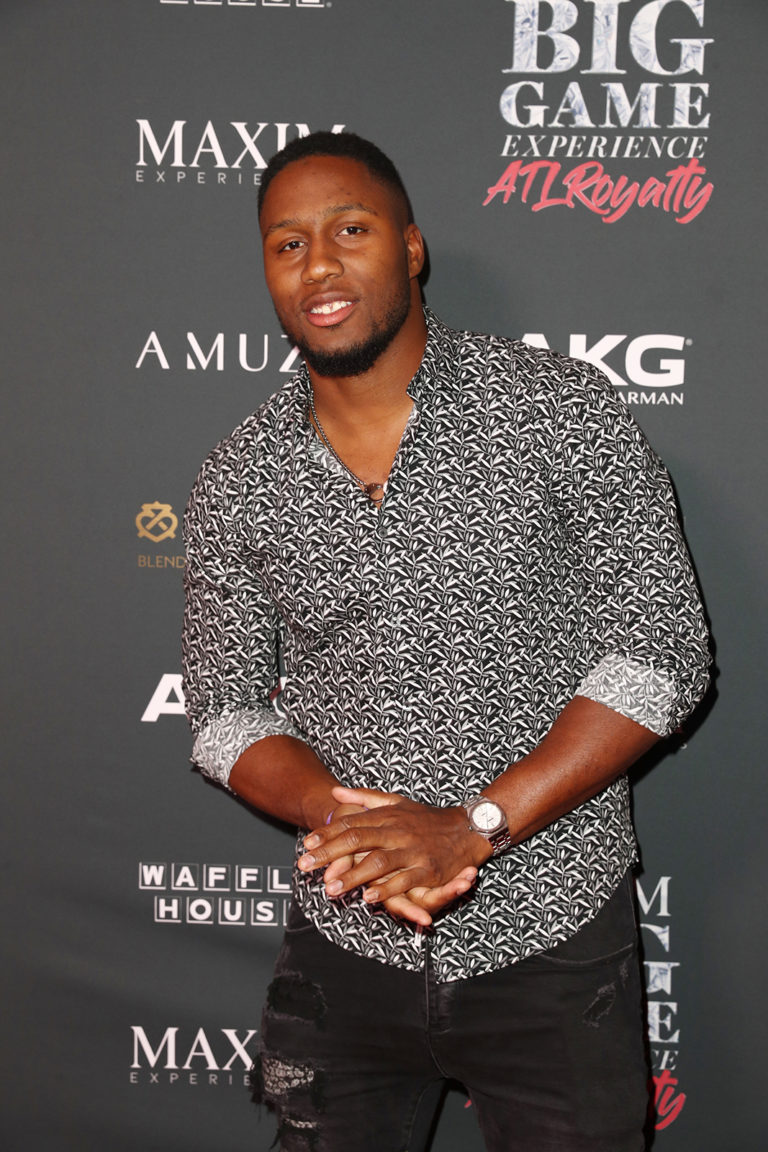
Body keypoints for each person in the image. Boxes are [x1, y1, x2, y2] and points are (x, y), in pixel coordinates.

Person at [182, 130, 710, 1152]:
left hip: (553, 940)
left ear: (412, 249)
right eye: (286, 245)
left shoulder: (559, 412)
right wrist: (347, 823)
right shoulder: (237, 476)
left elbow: (661, 649)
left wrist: (471, 827)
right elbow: (223, 715)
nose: (319, 265)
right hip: (343, 947)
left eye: (350, 229)